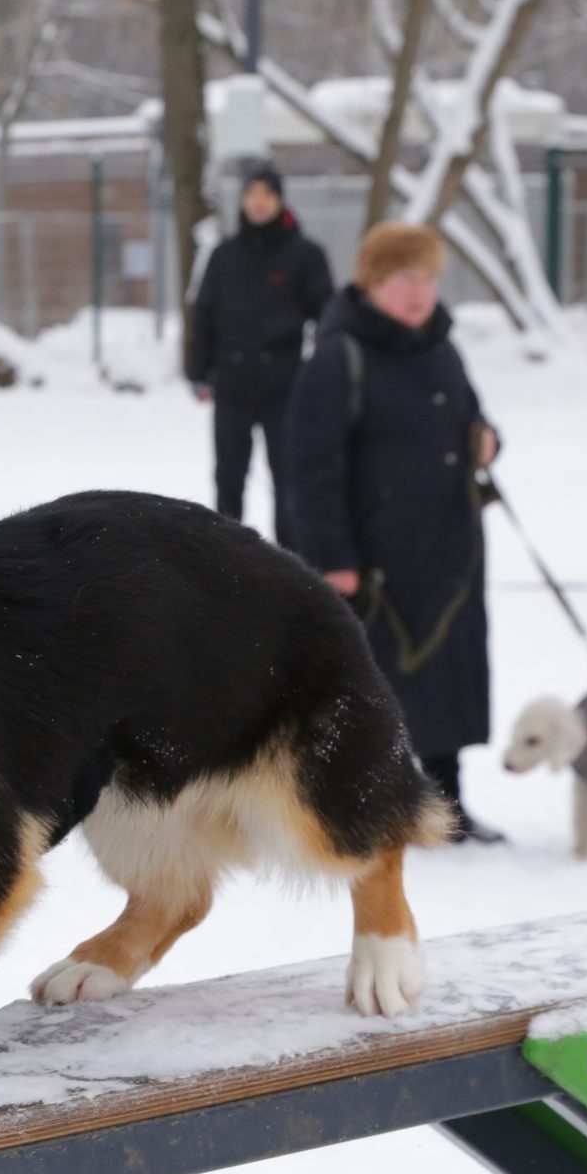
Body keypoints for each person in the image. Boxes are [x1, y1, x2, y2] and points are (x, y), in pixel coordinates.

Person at [284, 222, 504, 842]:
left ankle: (447, 807)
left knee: (450, 680)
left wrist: (487, 440)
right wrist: (333, 557)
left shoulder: (441, 346)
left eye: (429, 279)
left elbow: (472, 416)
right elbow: (310, 467)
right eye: (406, 280)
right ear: (375, 283)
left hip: (450, 551)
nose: (419, 293)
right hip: (378, 557)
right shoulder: (338, 356)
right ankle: (375, 810)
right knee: (381, 688)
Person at [185, 159, 335, 539]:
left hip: (286, 388)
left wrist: (321, 374)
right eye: (251, 193)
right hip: (232, 385)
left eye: (266, 194)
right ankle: (226, 569)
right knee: (228, 480)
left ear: (280, 200)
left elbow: (329, 319)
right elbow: (203, 314)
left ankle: (292, 569)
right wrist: (197, 371)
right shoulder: (224, 255)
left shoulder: (305, 255)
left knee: (288, 482)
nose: (258, 202)